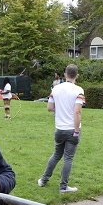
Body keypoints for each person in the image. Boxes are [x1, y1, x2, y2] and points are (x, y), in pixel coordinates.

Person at [38, 64, 84, 193]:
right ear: (77, 76)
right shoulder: (79, 90)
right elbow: (77, 112)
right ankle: (63, 187)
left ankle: (43, 180)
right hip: (71, 129)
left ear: (65, 75)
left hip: (59, 129)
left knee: (57, 154)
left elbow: (49, 108)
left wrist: (61, 109)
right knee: (68, 158)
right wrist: (76, 130)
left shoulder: (56, 89)